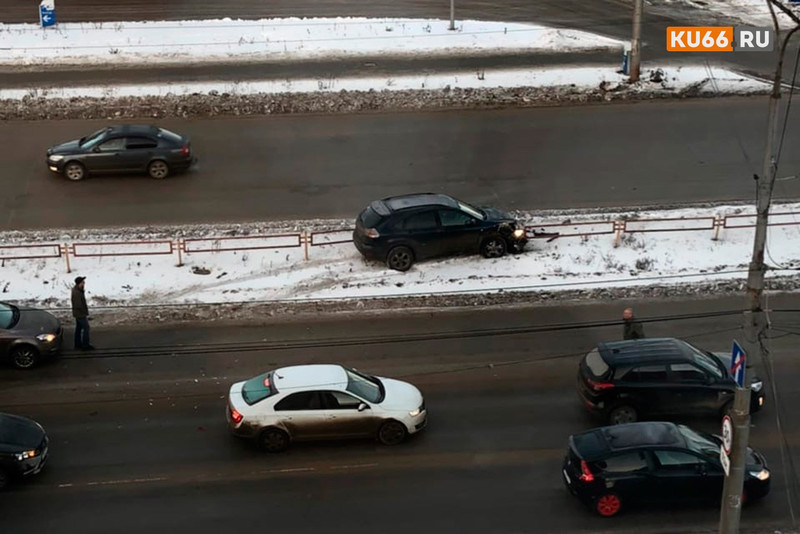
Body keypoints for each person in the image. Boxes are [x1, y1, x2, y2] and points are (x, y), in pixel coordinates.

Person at [71, 276, 94, 351]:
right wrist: (84, 312)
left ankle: (77, 344)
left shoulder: (77, 290)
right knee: (86, 328)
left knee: (78, 329)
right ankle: (85, 345)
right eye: (83, 282)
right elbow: (78, 305)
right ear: (79, 283)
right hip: (80, 314)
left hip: (78, 313)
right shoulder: (77, 292)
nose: (84, 283)